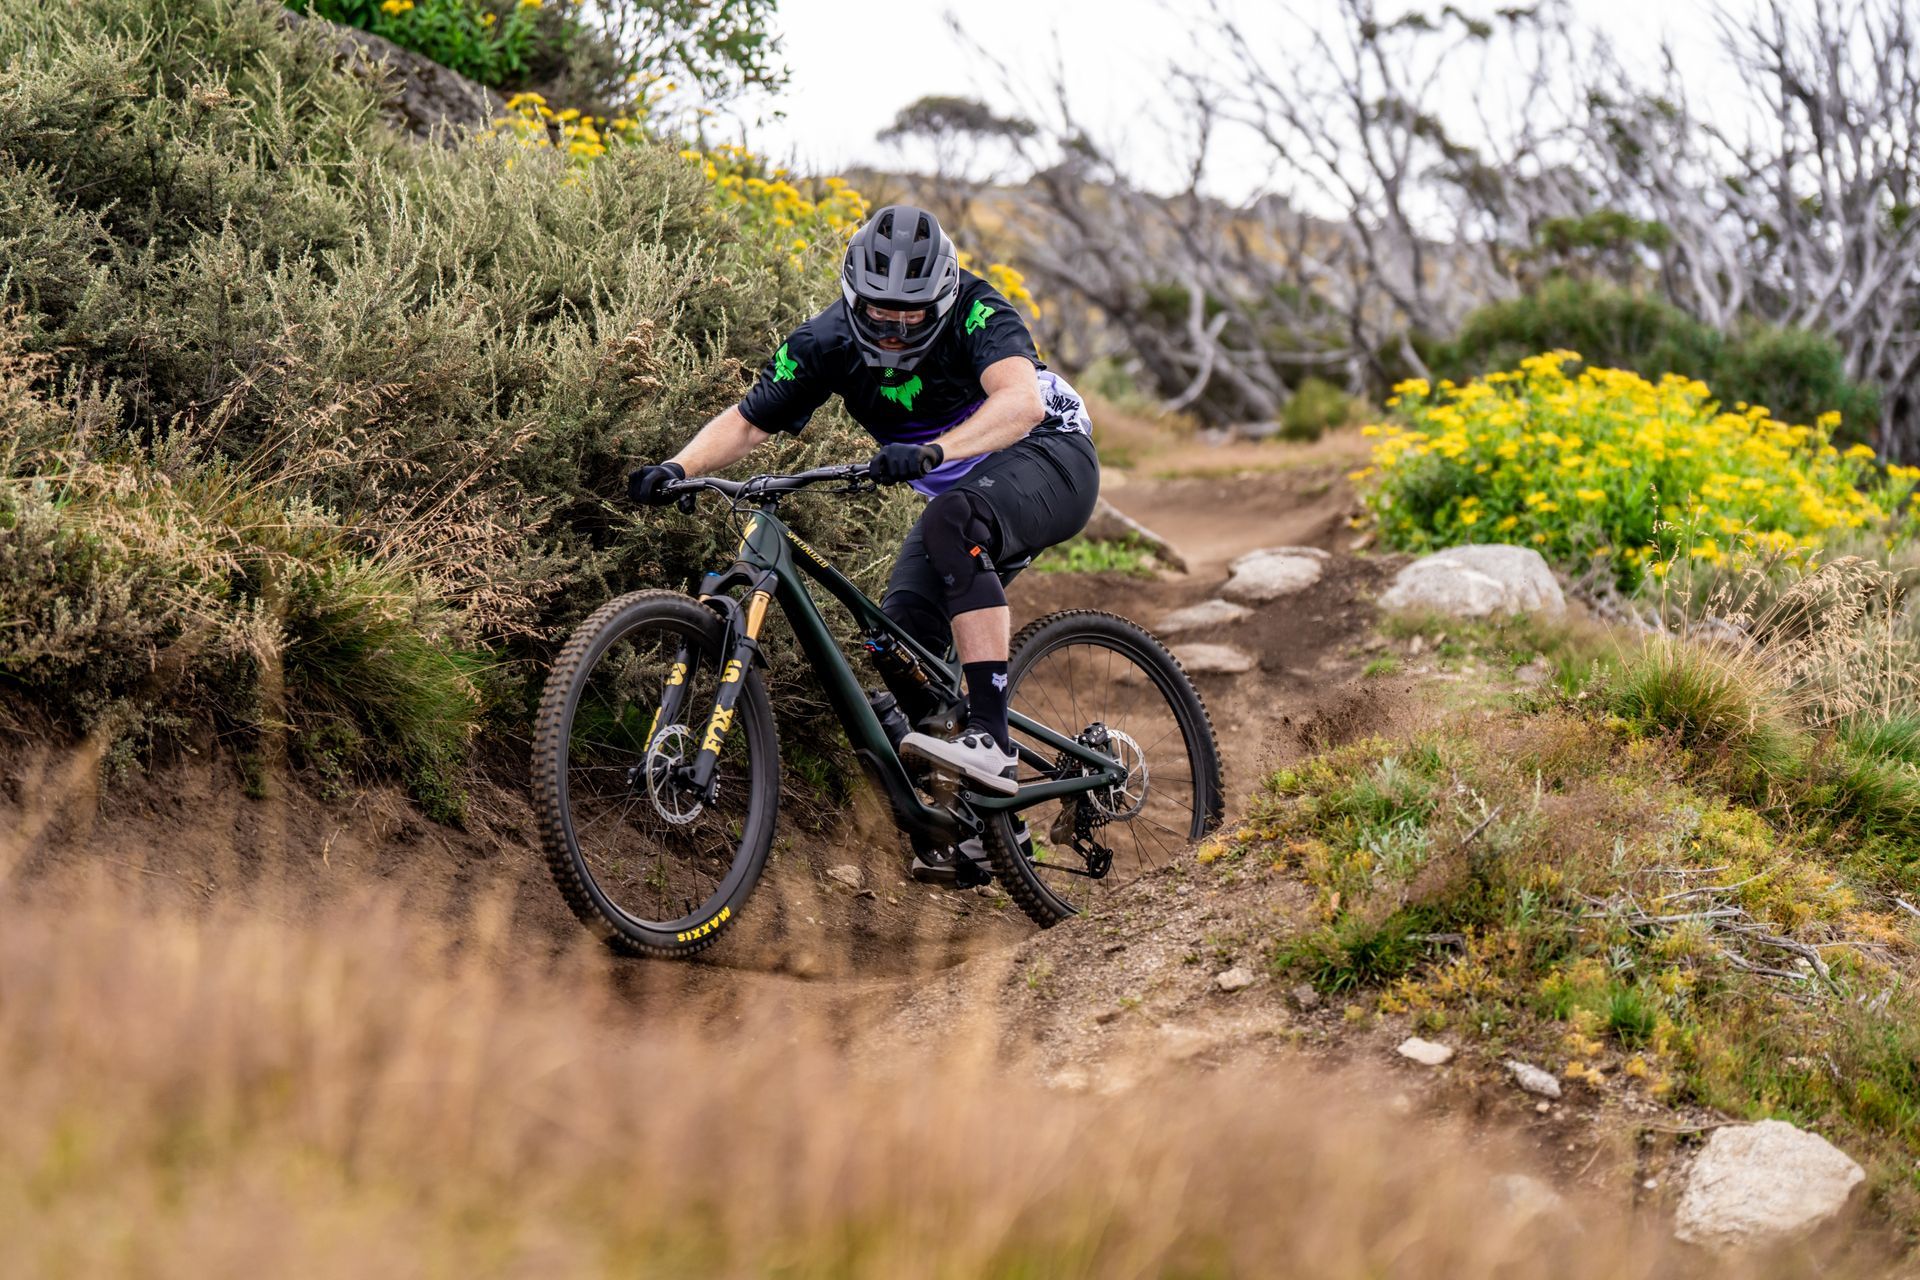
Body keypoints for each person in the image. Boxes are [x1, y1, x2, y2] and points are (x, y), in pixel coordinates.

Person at [627, 204, 1099, 803]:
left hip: (1051, 455)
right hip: (963, 486)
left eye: (912, 313)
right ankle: (983, 821)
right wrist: (677, 467)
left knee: (952, 518)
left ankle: (991, 743)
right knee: (898, 638)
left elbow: (1020, 403)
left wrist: (934, 449)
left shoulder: (980, 310)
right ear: (854, 298)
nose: (895, 329)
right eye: (880, 311)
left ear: (943, 297)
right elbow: (749, 423)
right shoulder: (825, 341)